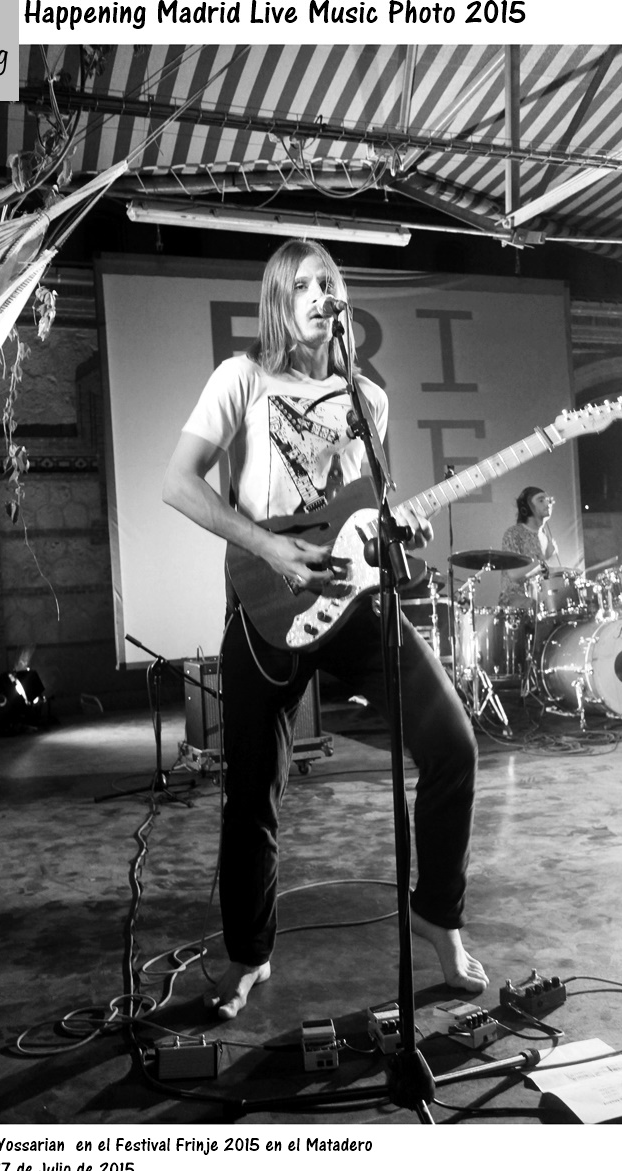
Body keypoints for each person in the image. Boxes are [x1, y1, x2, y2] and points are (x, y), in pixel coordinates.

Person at [162, 239, 488, 1019]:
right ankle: (249, 954)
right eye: (302, 285)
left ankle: (437, 917)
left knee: (453, 746)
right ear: (279, 300)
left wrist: (394, 528)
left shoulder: (367, 399)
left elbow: (362, 511)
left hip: (355, 600)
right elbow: (177, 483)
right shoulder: (242, 379)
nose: (318, 295)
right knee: (253, 791)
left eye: (329, 283)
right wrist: (271, 548)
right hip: (267, 602)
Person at [498, 486, 559, 609]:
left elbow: (546, 575)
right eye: (541, 500)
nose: (547, 504)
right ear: (526, 508)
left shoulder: (545, 536)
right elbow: (513, 574)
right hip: (515, 599)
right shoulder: (514, 533)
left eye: (549, 500)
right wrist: (542, 560)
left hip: (540, 597)